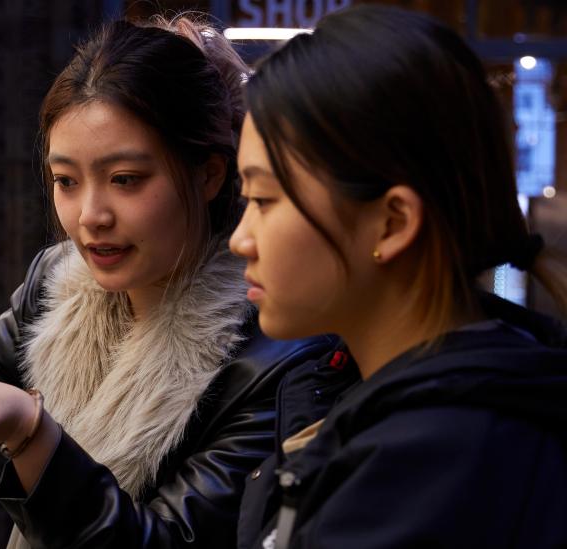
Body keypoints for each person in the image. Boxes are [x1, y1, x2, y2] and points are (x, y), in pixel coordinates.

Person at [0, 16, 348, 549]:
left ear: (208, 174)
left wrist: (32, 434)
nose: (90, 217)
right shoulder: (58, 281)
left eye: (125, 180)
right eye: (65, 181)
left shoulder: (276, 355)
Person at [229, 6, 567, 548]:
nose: (240, 239)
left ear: (393, 222)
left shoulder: (433, 465)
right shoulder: (373, 396)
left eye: (265, 199)